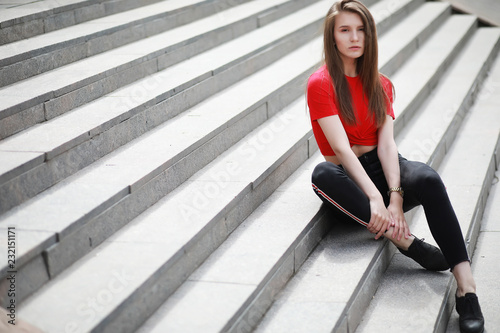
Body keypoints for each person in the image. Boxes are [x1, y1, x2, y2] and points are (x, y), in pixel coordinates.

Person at [307, 1, 484, 332]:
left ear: (370, 35)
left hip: (382, 166)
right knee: (321, 174)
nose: (354, 37)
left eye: (361, 29)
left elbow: (387, 145)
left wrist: (396, 196)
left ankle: (467, 287)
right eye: (344, 30)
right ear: (332, 38)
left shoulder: (381, 83)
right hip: (347, 179)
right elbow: (342, 150)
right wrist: (376, 198)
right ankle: (405, 242)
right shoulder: (321, 83)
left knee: (428, 178)